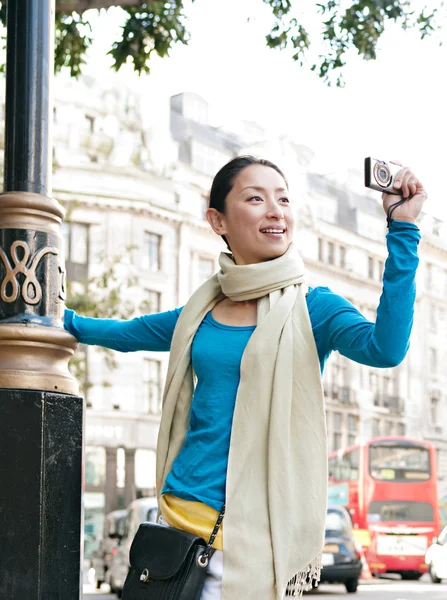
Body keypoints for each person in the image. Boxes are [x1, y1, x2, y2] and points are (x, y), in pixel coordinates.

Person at [65, 155, 426, 600]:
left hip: (252, 537)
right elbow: (127, 333)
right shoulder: (201, 311)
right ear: (218, 220)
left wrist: (403, 231)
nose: (276, 210)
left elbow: (386, 349)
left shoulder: (316, 308)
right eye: (256, 198)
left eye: (284, 199)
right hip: (176, 523)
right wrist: (61, 320)